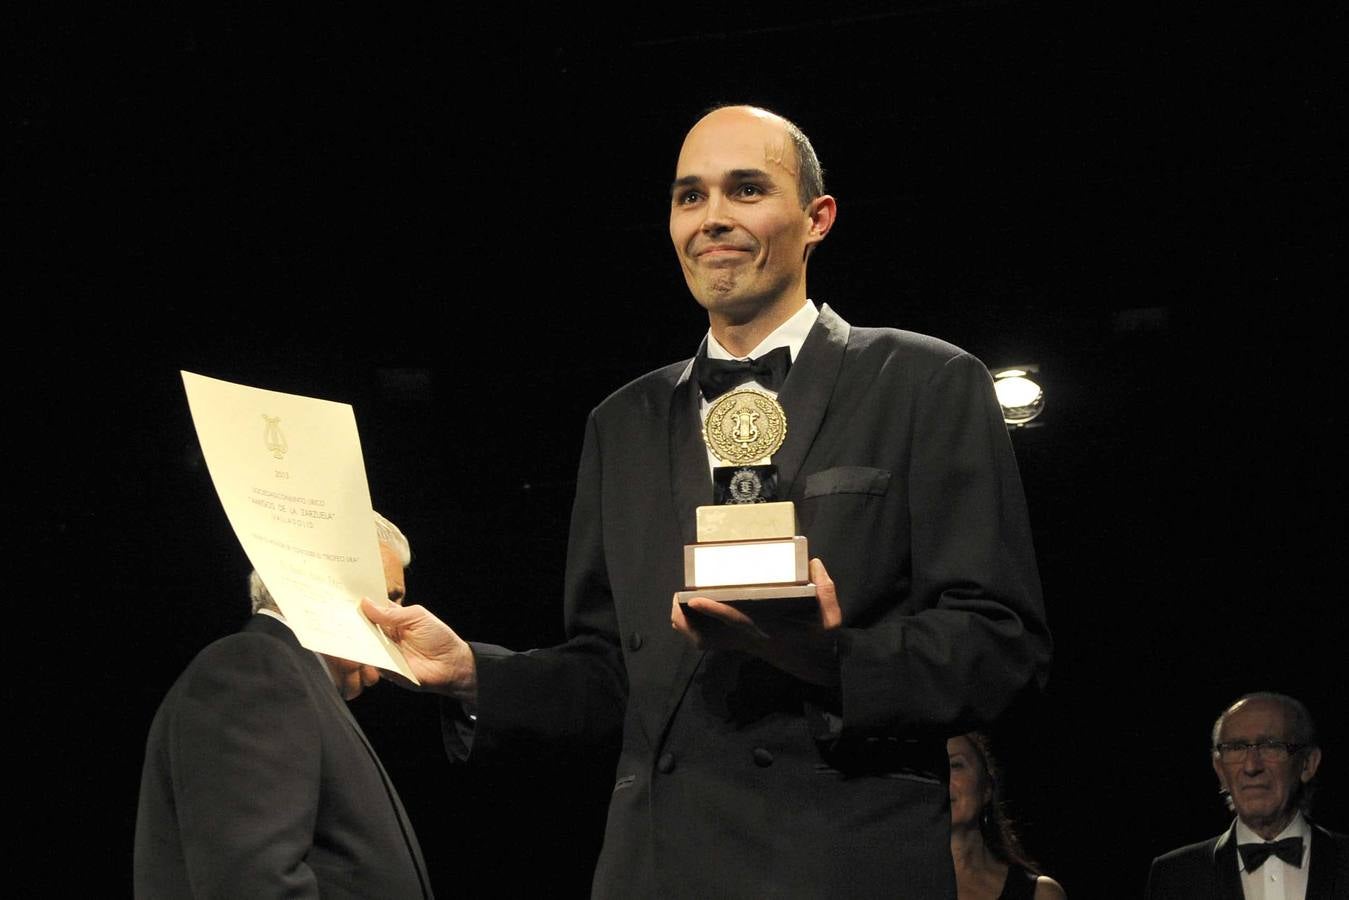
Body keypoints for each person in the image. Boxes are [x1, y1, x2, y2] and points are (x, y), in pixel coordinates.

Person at [364, 104, 1051, 897]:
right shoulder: (620, 422)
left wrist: (825, 658)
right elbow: (613, 674)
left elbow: (1002, 647)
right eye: (689, 197)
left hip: (839, 858)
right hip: (656, 864)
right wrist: (474, 675)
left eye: (747, 189)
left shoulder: (924, 382)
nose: (712, 219)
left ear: (816, 218)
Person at [134, 511, 434, 898]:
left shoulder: (293, 680)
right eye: (390, 599)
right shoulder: (254, 667)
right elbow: (255, 885)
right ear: (323, 582)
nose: (398, 623)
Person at [1145, 692, 1348, 900]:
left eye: (1271, 746)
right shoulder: (1174, 875)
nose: (1251, 767)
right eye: (1235, 748)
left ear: (1308, 763)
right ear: (1220, 770)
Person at [947, 733, 1066, 900]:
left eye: (955, 765)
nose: (941, 779)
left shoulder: (1040, 893)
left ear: (987, 787)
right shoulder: (898, 881)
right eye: (931, 769)